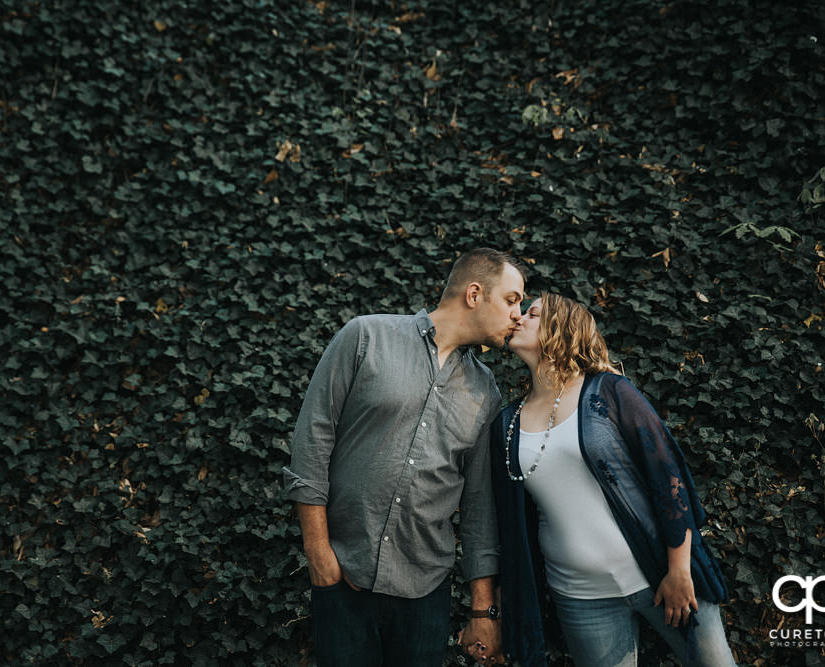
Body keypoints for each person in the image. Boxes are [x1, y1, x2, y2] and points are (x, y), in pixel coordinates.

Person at [283, 248, 525, 667]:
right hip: (343, 576)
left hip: (424, 593)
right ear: (474, 293)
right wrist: (319, 554)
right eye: (512, 299)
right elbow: (312, 441)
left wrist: (483, 610)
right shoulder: (366, 337)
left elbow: (478, 508)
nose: (519, 314)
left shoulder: (487, 394)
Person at [490, 292, 735, 667]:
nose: (519, 318)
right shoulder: (508, 422)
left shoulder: (609, 391)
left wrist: (679, 570)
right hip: (581, 597)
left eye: (533, 313)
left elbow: (669, 476)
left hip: (660, 574)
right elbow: (513, 519)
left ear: (562, 328)